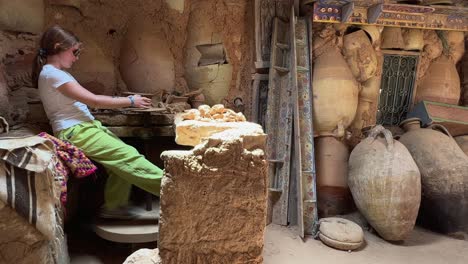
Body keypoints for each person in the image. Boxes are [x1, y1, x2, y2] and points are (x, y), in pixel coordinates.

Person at [33, 25, 163, 219]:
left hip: (84, 127)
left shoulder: (55, 73)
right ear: (58, 46)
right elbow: (93, 100)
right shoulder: (52, 74)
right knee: (129, 157)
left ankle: (114, 207)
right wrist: (130, 101)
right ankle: (177, 189)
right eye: (74, 52)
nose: (76, 57)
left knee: (120, 164)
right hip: (75, 130)